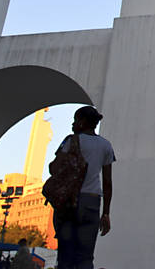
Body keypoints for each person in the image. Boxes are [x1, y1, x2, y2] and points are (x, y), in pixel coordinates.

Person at [52, 105, 115, 269]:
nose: (73, 124)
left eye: (75, 120)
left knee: (65, 256)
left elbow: (53, 168)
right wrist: (106, 213)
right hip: (92, 202)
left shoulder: (71, 140)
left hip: (69, 201)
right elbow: (107, 182)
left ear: (83, 122)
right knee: (86, 257)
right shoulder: (106, 145)